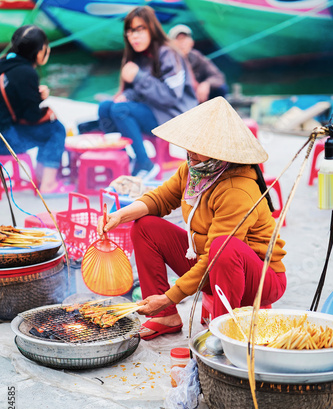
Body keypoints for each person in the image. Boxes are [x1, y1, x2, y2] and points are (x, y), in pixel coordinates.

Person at [97, 97, 287, 340]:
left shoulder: (237, 190)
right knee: (145, 226)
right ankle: (165, 315)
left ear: (220, 153)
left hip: (257, 279)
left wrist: (170, 295)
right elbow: (161, 199)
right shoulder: (194, 169)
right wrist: (118, 216)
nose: (190, 157)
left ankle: (221, 333)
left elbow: (218, 255)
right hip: (213, 265)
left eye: (197, 153)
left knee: (222, 246)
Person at [98, 6, 198, 181]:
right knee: (105, 107)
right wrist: (127, 96)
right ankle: (125, 159)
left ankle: (146, 164)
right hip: (152, 110)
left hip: (174, 115)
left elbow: (170, 97)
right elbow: (137, 91)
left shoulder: (168, 53)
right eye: (130, 31)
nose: (134, 36)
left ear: (152, 28)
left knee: (120, 110)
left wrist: (139, 76)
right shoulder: (138, 55)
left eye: (139, 29)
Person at [0, 25, 71, 195]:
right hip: (5, 141)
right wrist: (41, 98)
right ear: (39, 52)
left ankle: (41, 176)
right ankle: (47, 184)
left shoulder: (4, 63)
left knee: (47, 130)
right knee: (56, 129)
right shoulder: (26, 73)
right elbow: (31, 116)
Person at [168, 24, 229, 103]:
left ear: (191, 42)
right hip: (179, 97)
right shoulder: (167, 60)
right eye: (178, 39)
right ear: (170, 43)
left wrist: (206, 84)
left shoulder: (197, 56)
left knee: (221, 88)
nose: (182, 43)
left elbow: (218, 76)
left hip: (198, 95)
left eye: (185, 39)